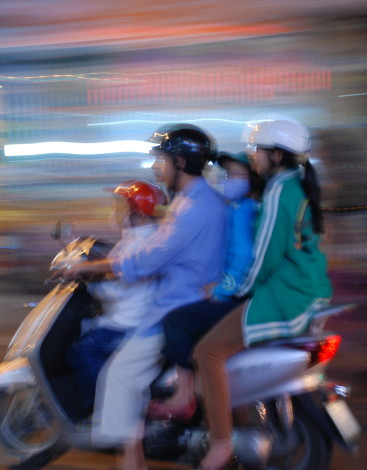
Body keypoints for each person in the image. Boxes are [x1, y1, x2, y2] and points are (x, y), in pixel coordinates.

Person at [56, 124, 226, 470]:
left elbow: (148, 258)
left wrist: (87, 269)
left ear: (180, 162)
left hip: (174, 308)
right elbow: (152, 246)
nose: (155, 168)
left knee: (119, 375)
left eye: (160, 160)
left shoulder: (193, 207)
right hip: (184, 301)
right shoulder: (196, 201)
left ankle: (131, 460)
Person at [193, 119, 333, 470]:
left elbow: (264, 258)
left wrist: (231, 290)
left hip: (286, 295)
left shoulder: (278, 193)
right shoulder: (294, 187)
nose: (253, 158)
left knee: (208, 351)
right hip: (305, 288)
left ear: (274, 154)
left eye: (257, 151)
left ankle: (221, 444)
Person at [147, 150, 262, 421]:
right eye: (227, 173)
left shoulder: (244, 210)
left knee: (177, 320)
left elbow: (243, 258)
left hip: (239, 295)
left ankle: (184, 395)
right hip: (241, 292)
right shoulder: (232, 206)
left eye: (237, 174)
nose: (229, 179)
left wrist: (222, 289)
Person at [66, 180, 166, 414]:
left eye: (121, 207)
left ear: (137, 211)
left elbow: (120, 289)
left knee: (82, 351)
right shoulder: (136, 237)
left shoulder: (140, 243)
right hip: (127, 315)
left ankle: (102, 409)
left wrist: (91, 286)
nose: (116, 212)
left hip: (129, 321)